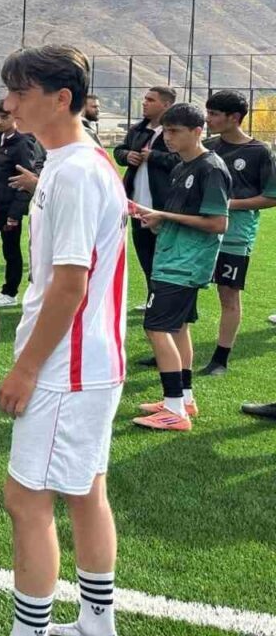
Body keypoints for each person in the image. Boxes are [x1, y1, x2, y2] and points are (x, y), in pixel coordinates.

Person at [0, 45, 128, 636]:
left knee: (26, 500)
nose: (9, 104)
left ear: (62, 99)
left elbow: (69, 285)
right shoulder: (79, 161)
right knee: (86, 492)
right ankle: (97, 622)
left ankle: (31, 629)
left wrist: (25, 368)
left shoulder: (74, 170)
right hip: (91, 361)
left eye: (20, 92)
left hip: (66, 368)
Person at [130, 103, 230, 431]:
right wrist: (157, 220)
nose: (168, 138)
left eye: (175, 132)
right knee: (177, 328)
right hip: (173, 257)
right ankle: (184, 399)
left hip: (185, 264)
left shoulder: (210, 168)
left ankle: (174, 410)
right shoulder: (181, 167)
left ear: (198, 132)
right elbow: (183, 217)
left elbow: (218, 223)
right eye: (166, 131)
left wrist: (165, 216)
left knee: (155, 327)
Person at [199, 91, 276, 375]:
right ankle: (170, 349)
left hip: (236, 233)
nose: (208, 119)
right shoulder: (207, 147)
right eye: (207, 113)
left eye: (214, 114)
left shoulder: (260, 152)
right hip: (200, 229)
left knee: (228, 294)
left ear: (234, 117)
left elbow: (271, 197)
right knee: (184, 287)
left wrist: (229, 204)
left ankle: (220, 359)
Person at [114, 87, 179, 308]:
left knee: (166, 258)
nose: (144, 103)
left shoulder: (175, 131)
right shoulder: (138, 129)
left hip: (164, 207)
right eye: (145, 99)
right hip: (136, 207)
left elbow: (183, 160)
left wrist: (155, 156)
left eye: (150, 100)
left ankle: (165, 301)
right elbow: (119, 151)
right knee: (145, 255)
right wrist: (126, 155)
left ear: (166, 105)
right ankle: (153, 299)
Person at [0, 100, 45, 309]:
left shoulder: (23, 142)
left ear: (15, 118)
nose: (0, 121)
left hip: (9, 207)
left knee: (10, 250)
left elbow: (26, 179)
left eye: (5, 117)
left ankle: (10, 292)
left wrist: (15, 213)